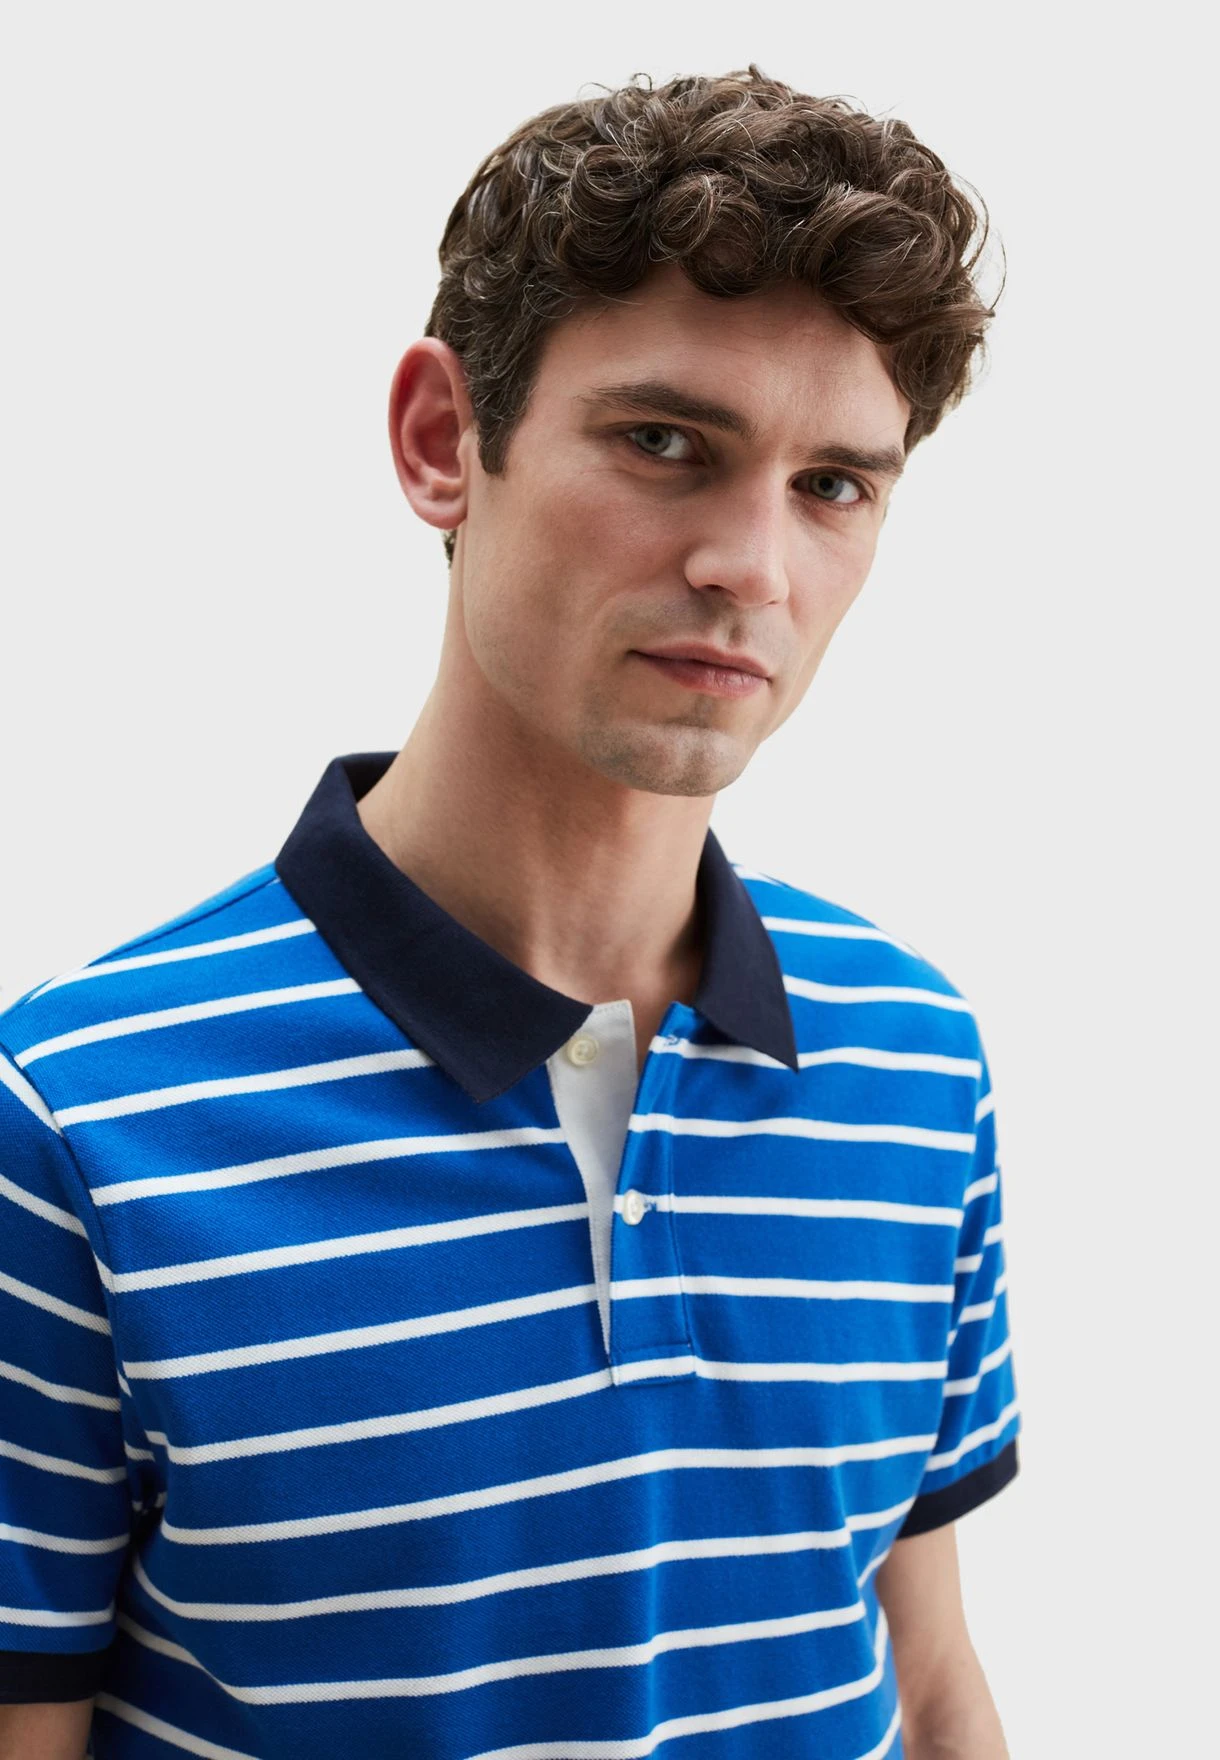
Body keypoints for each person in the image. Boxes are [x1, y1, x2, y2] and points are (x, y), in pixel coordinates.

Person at [0, 64, 1021, 1760]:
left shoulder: (915, 1060)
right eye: (665, 443)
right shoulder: (71, 1124)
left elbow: (929, 1685)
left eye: (834, 485)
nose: (752, 567)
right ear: (440, 441)